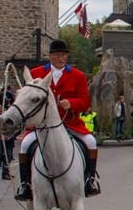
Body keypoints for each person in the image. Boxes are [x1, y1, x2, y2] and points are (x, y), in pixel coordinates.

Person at [15, 39, 101, 201]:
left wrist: (71, 103)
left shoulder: (78, 76)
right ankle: (25, 183)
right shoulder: (36, 73)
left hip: (69, 123)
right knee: (25, 144)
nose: (61, 58)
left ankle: (90, 180)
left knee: (91, 142)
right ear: (50, 56)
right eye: (57, 55)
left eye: (64, 55)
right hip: (42, 125)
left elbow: (85, 101)